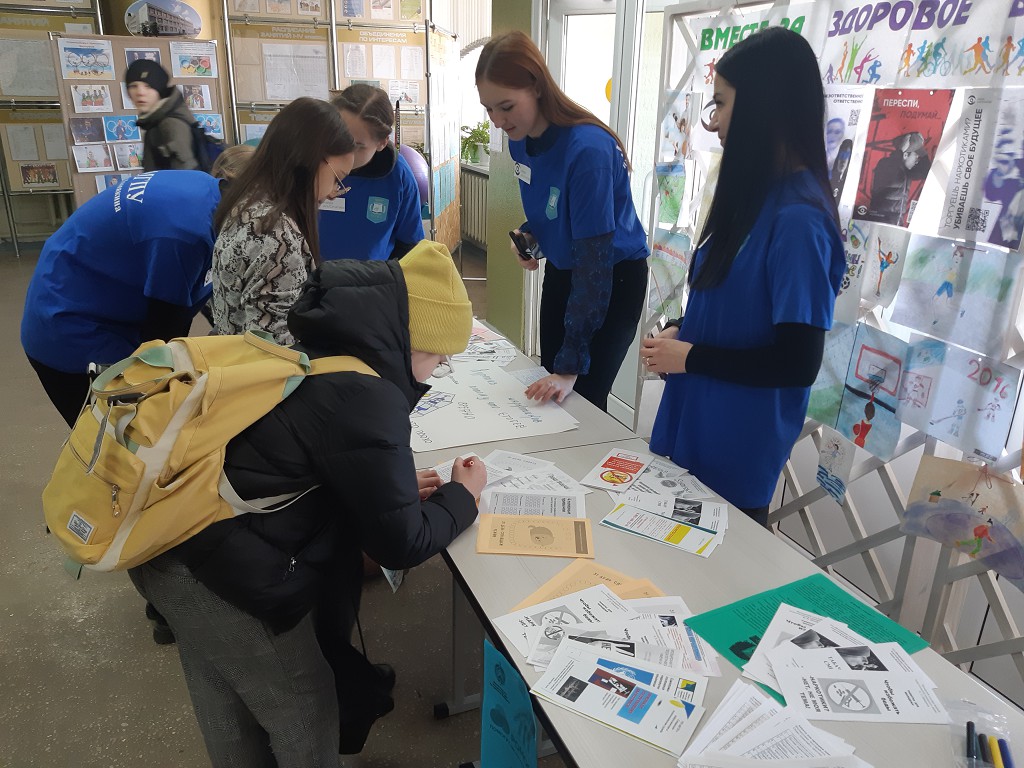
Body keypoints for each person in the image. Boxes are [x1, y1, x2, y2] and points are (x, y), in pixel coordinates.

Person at [128, 241, 485, 766]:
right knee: (305, 706)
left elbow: (311, 452)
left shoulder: (323, 348)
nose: (435, 371)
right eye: (438, 357)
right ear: (410, 339)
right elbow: (401, 543)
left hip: (166, 536)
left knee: (223, 691)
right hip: (217, 572)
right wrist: (463, 496)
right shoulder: (369, 395)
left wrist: (383, 484)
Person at [642, 27, 844, 527]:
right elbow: (731, 302)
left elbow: (797, 360)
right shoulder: (755, 195)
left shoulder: (800, 220)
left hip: (735, 449)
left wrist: (691, 357)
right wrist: (681, 329)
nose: (712, 122)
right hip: (694, 426)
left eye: (721, 104)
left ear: (764, 106)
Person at [475, 31, 649, 413]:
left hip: (610, 277)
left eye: (506, 106)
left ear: (537, 87)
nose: (498, 121)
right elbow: (554, 206)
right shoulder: (520, 140)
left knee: (582, 399)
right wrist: (530, 235)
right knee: (549, 389)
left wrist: (570, 366)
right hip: (565, 269)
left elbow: (594, 265)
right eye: (489, 109)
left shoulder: (588, 151)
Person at [21, 157, 253, 431]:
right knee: (124, 442)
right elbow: (162, 342)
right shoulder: (184, 234)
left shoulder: (205, 189)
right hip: (70, 326)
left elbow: (200, 285)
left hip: (85, 288)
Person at [211, 97, 355, 344]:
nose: (334, 192)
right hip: (259, 365)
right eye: (337, 178)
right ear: (313, 160)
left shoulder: (248, 201)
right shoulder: (277, 236)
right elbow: (275, 346)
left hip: (231, 352)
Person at [319, 84, 425, 261]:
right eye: (336, 139)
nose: (342, 153)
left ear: (382, 142)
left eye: (356, 146)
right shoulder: (311, 164)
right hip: (308, 273)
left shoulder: (398, 175)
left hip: (369, 276)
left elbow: (410, 245)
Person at [125, 59, 200, 171]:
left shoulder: (170, 124)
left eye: (148, 86)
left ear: (160, 90)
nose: (140, 92)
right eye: (133, 86)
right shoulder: (155, 122)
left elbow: (186, 174)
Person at [867, 131, 930, 226]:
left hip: (895, 221)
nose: (917, 161)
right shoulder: (885, 164)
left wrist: (922, 151)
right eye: (916, 157)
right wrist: (900, 151)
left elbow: (925, 172)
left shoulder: (907, 172)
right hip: (880, 220)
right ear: (905, 155)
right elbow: (893, 171)